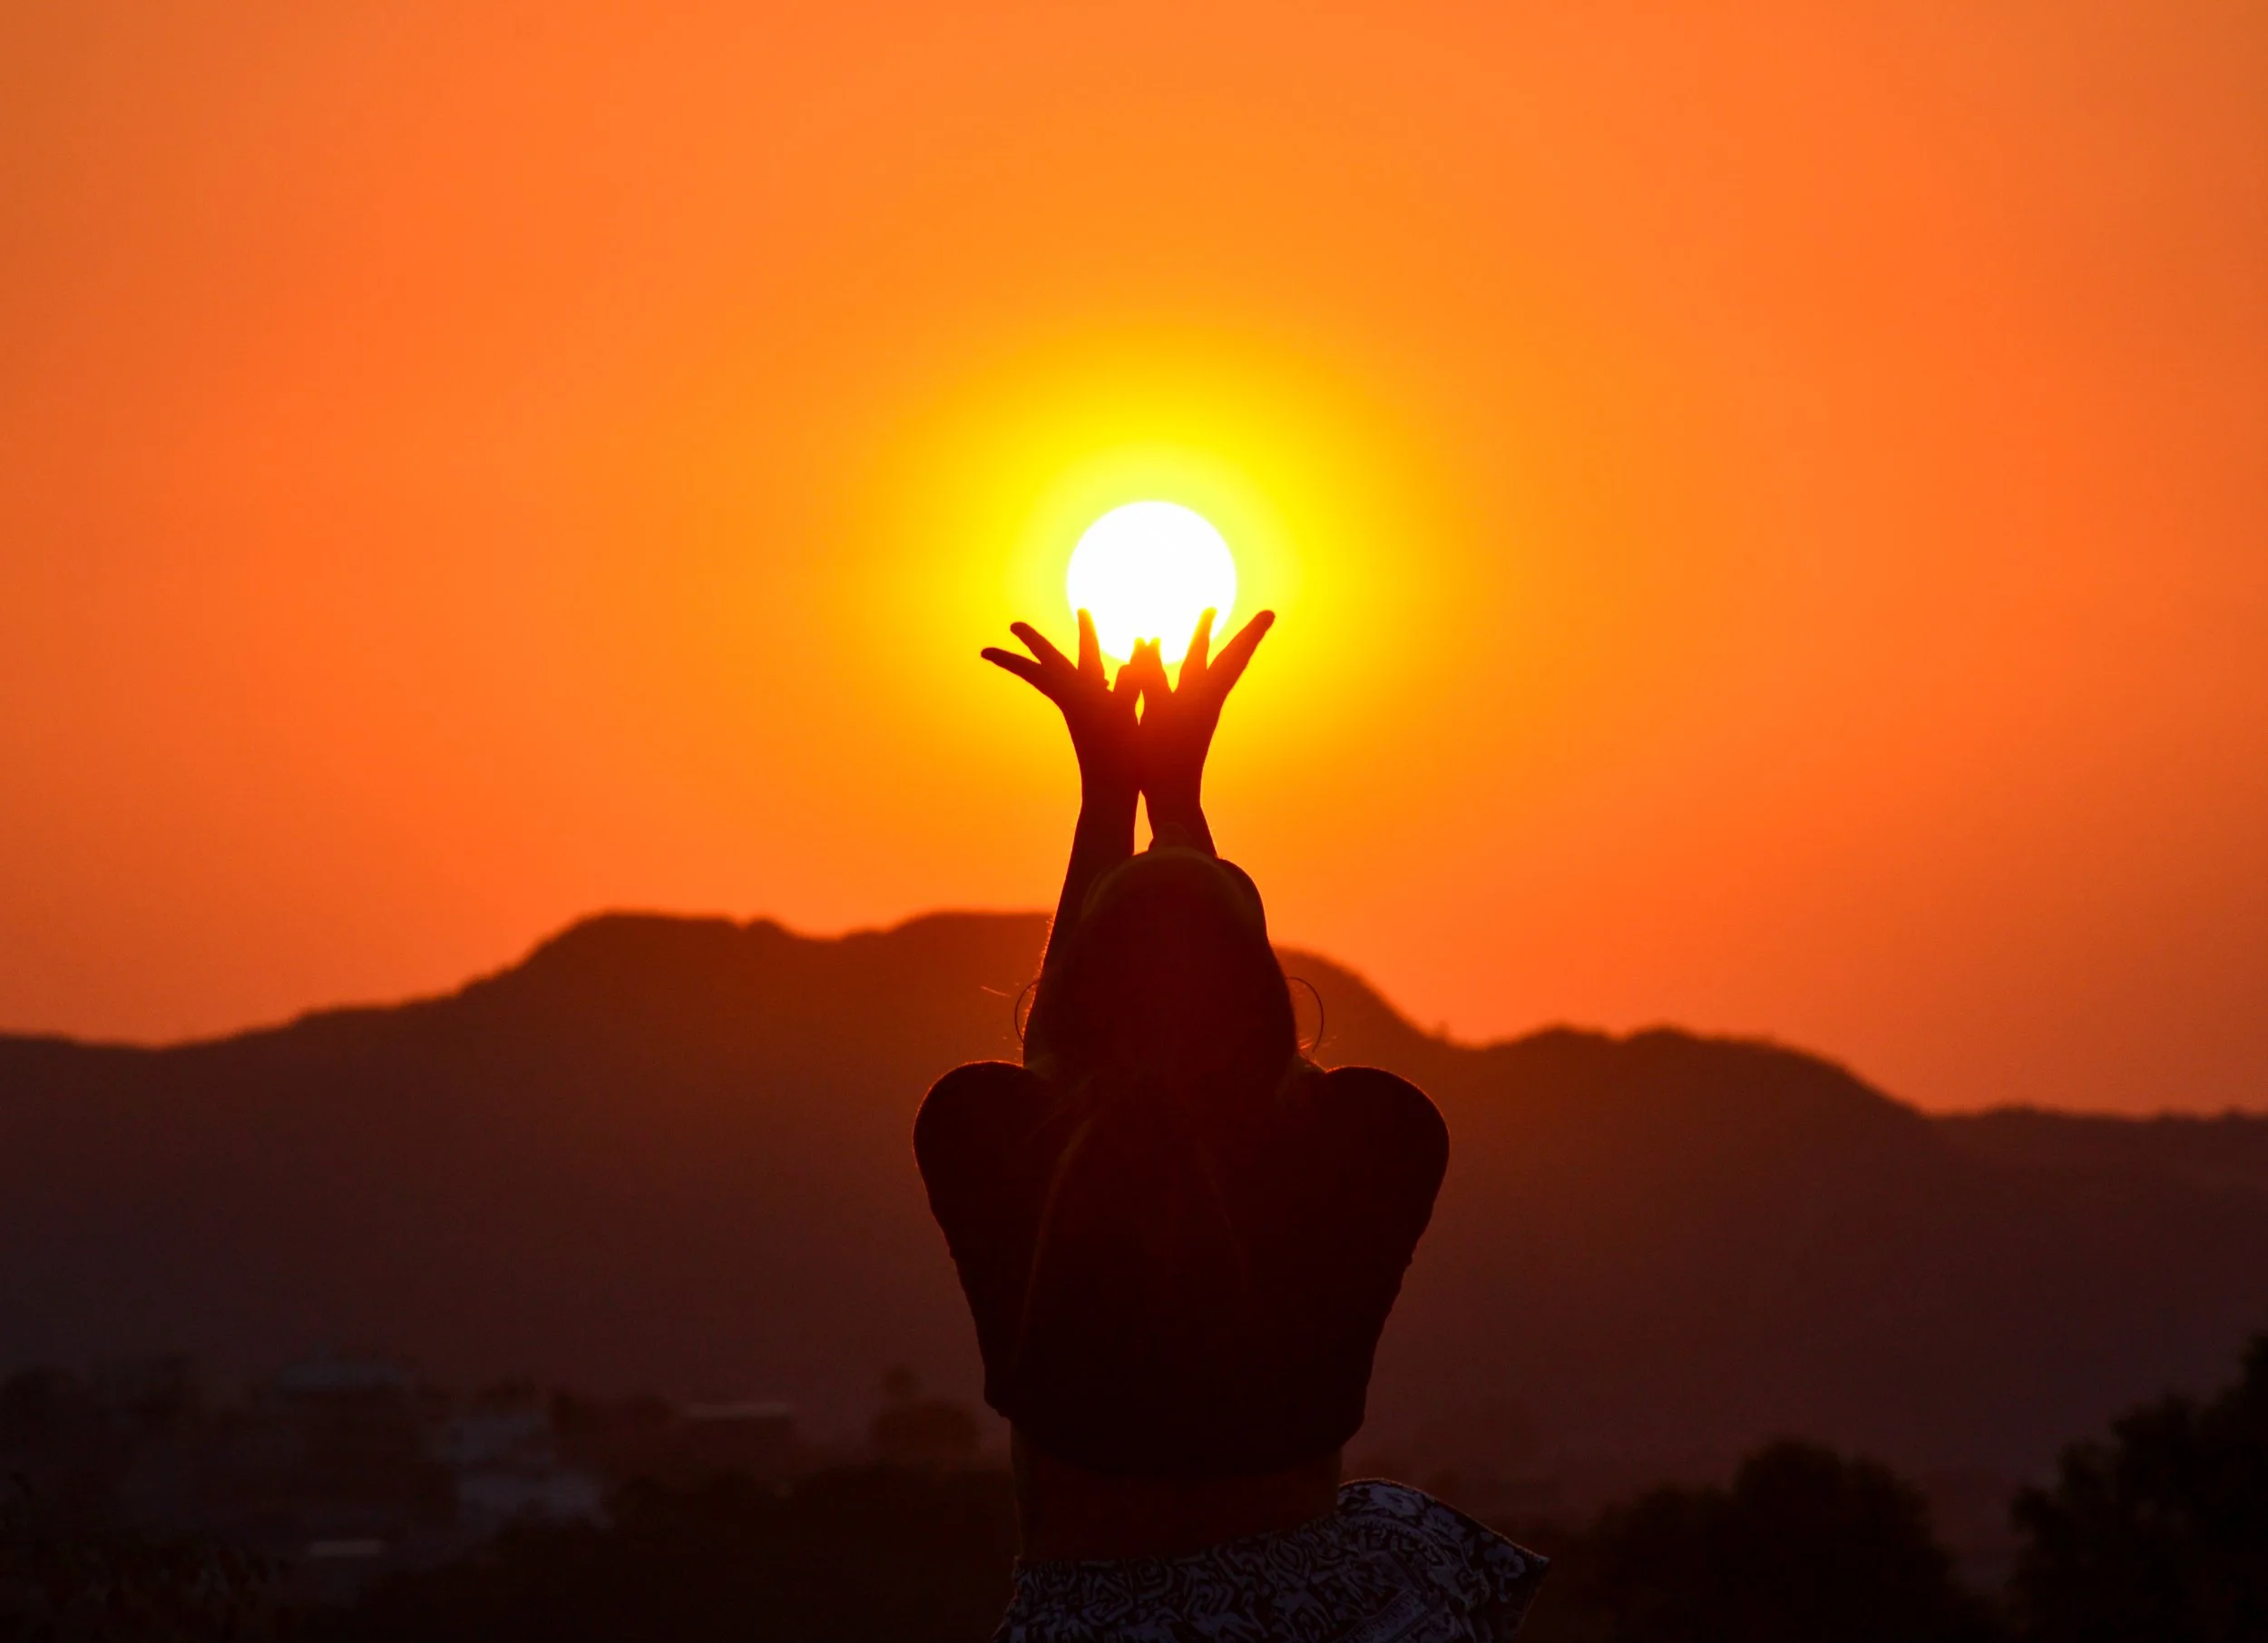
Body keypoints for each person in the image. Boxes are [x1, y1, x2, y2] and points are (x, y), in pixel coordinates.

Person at [914, 606, 1548, 1642]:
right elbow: (1244, 1083)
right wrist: (1176, 804)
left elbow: (1058, 1068)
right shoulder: (1374, 1141)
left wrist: (1109, 800)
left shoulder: (987, 1138)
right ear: (1266, 994)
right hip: (1331, 1611)